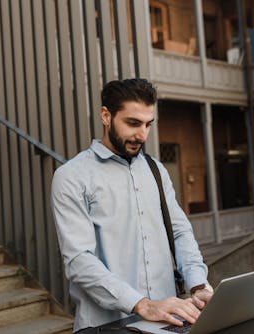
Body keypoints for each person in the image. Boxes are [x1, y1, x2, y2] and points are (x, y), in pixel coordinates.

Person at [51, 78, 213, 332]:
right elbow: (79, 261)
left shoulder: (156, 169)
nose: (142, 135)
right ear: (106, 116)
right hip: (107, 326)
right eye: (133, 123)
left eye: (148, 124)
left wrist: (198, 285)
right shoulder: (71, 176)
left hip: (166, 323)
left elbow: (180, 232)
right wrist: (142, 305)